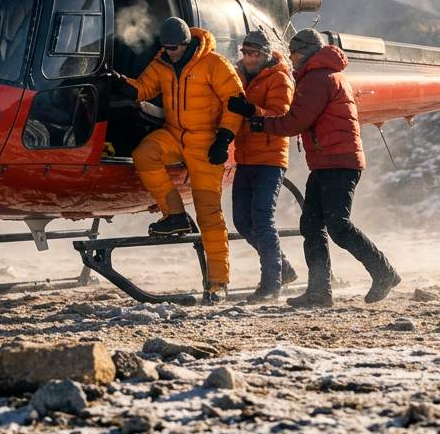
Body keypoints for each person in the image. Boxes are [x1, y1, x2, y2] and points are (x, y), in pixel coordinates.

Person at [228, 28, 400, 307]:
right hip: (328, 160)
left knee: (337, 226)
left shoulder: (318, 79)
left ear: (305, 52)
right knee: (312, 225)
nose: (291, 58)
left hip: (337, 160)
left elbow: (296, 121)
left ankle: (383, 272)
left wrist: (260, 122)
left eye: (294, 53)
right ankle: (320, 291)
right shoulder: (322, 75)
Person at [112, 17, 244, 303]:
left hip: (206, 142)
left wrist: (224, 138)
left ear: (186, 43)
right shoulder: (162, 63)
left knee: (209, 212)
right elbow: (145, 88)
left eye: (173, 47)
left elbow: (235, 102)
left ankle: (218, 282)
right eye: (165, 47)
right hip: (174, 134)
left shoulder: (215, 64)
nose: (168, 51)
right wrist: (124, 85)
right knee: (144, 154)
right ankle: (174, 216)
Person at [230, 30, 299, 302]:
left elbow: (281, 116)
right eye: (246, 53)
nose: (248, 58)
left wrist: (251, 110)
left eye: (254, 54)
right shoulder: (241, 76)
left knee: (262, 220)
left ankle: (271, 284)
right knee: (242, 221)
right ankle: (284, 269)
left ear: (266, 54)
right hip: (245, 157)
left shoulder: (279, 78)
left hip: (270, 159)